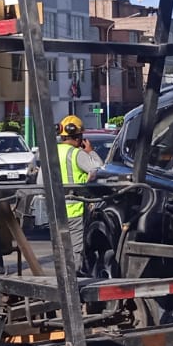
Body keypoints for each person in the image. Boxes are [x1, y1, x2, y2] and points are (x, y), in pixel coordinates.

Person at [55, 115, 104, 271]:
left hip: (54, 210)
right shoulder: (77, 154)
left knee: (60, 249)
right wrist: (91, 152)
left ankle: (63, 282)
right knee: (76, 250)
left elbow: (40, 182)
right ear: (79, 138)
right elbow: (99, 168)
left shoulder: (51, 152)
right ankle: (74, 284)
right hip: (74, 209)